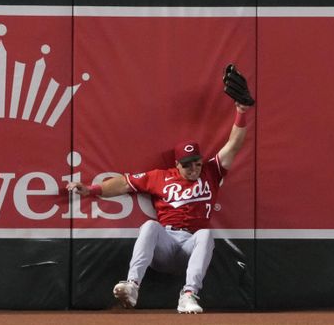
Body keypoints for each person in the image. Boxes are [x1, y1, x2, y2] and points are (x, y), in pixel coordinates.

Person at [66, 80, 253, 314]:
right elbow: (124, 183)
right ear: (177, 164)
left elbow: (234, 144)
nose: (194, 169)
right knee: (150, 226)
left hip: (191, 246)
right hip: (164, 245)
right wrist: (91, 189)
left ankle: (188, 295)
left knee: (206, 234)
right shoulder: (160, 177)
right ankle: (132, 286)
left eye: (196, 163)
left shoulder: (211, 171)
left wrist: (241, 111)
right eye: (187, 166)